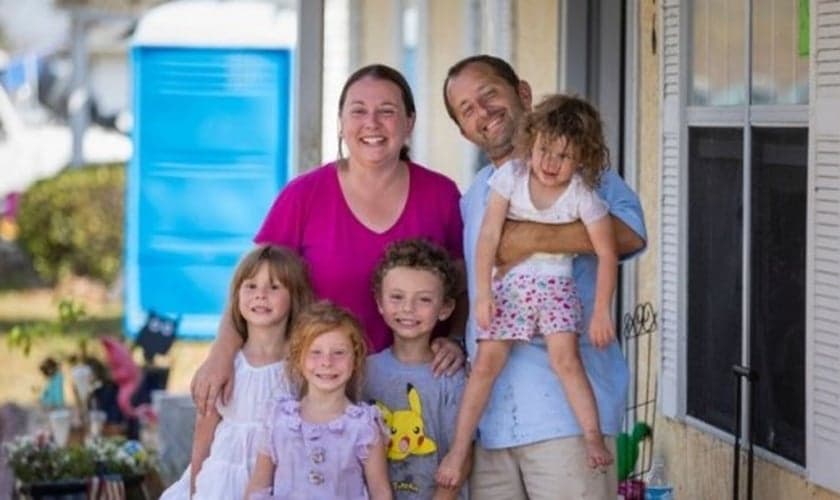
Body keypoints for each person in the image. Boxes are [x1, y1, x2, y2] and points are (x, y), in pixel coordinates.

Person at [191, 64, 467, 417]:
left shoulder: (441, 195)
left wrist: (456, 339)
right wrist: (221, 355)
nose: (372, 123)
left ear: (409, 123)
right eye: (358, 111)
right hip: (320, 392)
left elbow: (462, 289)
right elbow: (253, 289)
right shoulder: (303, 196)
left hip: (416, 396)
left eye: (387, 111)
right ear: (340, 122)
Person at [443, 55, 647, 499]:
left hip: (566, 422)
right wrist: (453, 339)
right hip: (493, 426)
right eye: (466, 109)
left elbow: (629, 235)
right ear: (462, 130)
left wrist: (531, 236)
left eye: (489, 95)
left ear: (523, 94)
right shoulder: (476, 193)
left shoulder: (583, 172)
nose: (482, 112)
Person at [160, 245, 313, 500]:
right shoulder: (228, 365)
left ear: (294, 296)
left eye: (274, 287)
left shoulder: (301, 364)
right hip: (222, 480)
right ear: (237, 295)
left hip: (281, 480)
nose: (260, 295)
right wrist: (195, 488)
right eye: (250, 286)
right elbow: (204, 429)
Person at [244, 301, 392, 500]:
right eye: (315, 352)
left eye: (339, 353)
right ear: (298, 358)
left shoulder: (363, 427)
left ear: (355, 359)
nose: (326, 362)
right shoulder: (277, 420)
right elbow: (258, 487)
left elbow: (380, 492)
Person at [363, 239, 469, 499]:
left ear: (445, 308)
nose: (408, 308)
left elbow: (464, 454)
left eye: (423, 299)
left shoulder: (453, 377)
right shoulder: (363, 373)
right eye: (397, 297)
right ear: (379, 302)